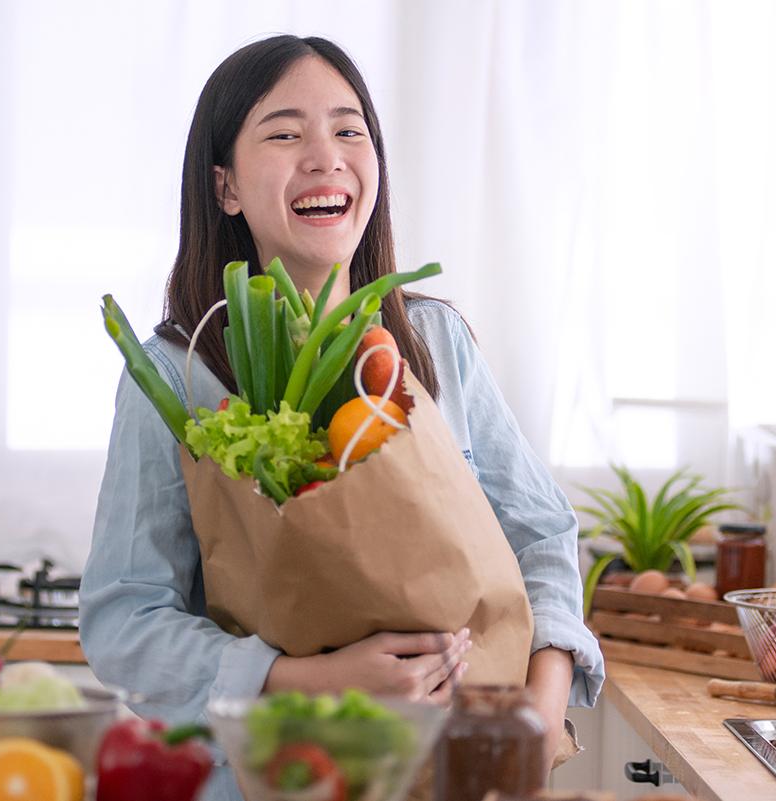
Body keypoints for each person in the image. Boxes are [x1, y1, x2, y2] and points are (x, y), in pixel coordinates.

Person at [80, 35, 603, 799]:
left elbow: (544, 536)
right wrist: (308, 681)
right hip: (269, 779)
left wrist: (535, 716)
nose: (326, 157)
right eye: (285, 133)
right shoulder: (174, 375)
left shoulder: (436, 344)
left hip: (457, 777)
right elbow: (123, 619)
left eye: (349, 130)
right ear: (224, 186)